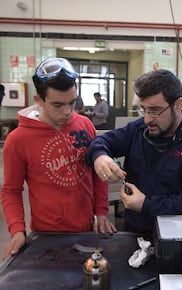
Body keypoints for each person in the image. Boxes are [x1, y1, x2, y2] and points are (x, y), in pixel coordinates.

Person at [0, 57, 116, 259]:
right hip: (47, 235)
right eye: (57, 105)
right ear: (39, 100)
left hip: (87, 229)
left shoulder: (85, 125)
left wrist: (102, 211)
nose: (67, 112)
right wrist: (17, 229)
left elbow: (97, 174)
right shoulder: (18, 140)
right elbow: (11, 190)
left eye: (72, 102)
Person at [86, 69, 182, 234]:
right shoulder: (138, 129)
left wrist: (146, 204)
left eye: (155, 110)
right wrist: (100, 157)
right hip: (135, 233)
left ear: (177, 105)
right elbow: (101, 141)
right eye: (144, 109)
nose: (147, 119)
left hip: (176, 236)